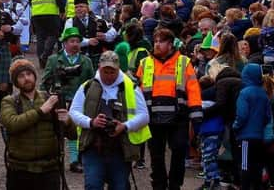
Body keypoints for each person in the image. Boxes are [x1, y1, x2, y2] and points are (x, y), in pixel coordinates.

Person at [69, 51, 151, 190]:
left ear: (118, 69)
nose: (108, 75)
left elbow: (144, 116)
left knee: (119, 186)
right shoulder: (87, 87)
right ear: (99, 68)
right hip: (93, 146)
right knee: (93, 185)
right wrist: (91, 122)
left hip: (120, 148)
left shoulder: (131, 87)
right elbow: (73, 112)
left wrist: (124, 126)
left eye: (112, 72)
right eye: (104, 71)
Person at [136, 28, 202, 190]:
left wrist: (196, 114)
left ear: (171, 44)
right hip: (153, 116)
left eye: (161, 41)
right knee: (156, 155)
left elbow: (193, 88)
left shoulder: (183, 62)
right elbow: (137, 90)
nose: (157, 44)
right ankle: (159, 185)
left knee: (179, 151)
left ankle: (175, 185)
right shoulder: (145, 62)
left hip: (178, 116)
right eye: (156, 41)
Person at [1, 58, 74, 189]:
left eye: (29, 74)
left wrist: (67, 121)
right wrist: (41, 111)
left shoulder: (49, 98)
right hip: (20, 169)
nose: (26, 78)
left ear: (35, 76)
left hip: (49, 170)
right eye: (21, 76)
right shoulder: (9, 101)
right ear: (16, 82)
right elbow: (12, 124)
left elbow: (73, 135)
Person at [41, 26, 94, 173]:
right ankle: (56, 159)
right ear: (64, 43)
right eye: (72, 41)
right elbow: (44, 82)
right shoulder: (53, 60)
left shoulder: (86, 61)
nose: (75, 44)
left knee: (75, 132)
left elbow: (92, 83)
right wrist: (45, 99)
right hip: (59, 100)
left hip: (79, 102)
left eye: (77, 41)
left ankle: (74, 161)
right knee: (56, 131)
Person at [233, 63, 271, 190]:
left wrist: (235, 126)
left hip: (245, 136)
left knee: (244, 165)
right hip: (259, 136)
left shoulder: (244, 93)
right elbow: (267, 117)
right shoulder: (263, 94)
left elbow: (242, 115)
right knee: (257, 166)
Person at [30, 0, 64, 68]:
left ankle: (41, 61)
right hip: (51, 13)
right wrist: (62, 9)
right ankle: (45, 55)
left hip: (36, 14)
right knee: (53, 34)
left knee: (40, 37)